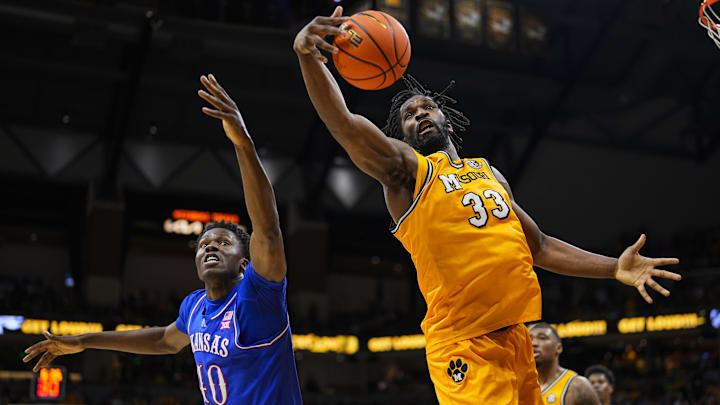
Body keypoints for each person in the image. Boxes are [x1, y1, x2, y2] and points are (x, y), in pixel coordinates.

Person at [293, 6, 682, 404]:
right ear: (403, 137)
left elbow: (541, 247)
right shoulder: (408, 173)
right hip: (464, 344)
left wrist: (614, 266)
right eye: (409, 116)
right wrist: (309, 59)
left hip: (515, 337)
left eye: (427, 107)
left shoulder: (491, 175)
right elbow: (344, 124)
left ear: (446, 116)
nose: (420, 114)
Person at [22, 74, 303, 404]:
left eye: (223, 243)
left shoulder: (257, 296)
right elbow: (162, 341)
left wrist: (243, 145)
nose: (210, 246)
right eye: (203, 245)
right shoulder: (194, 306)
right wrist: (84, 341)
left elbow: (268, 232)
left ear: (245, 263)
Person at [529, 323, 600, 405]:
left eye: (542, 338)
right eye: (530, 339)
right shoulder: (519, 386)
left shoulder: (577, 386)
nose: (533, 343)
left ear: (558, 348)